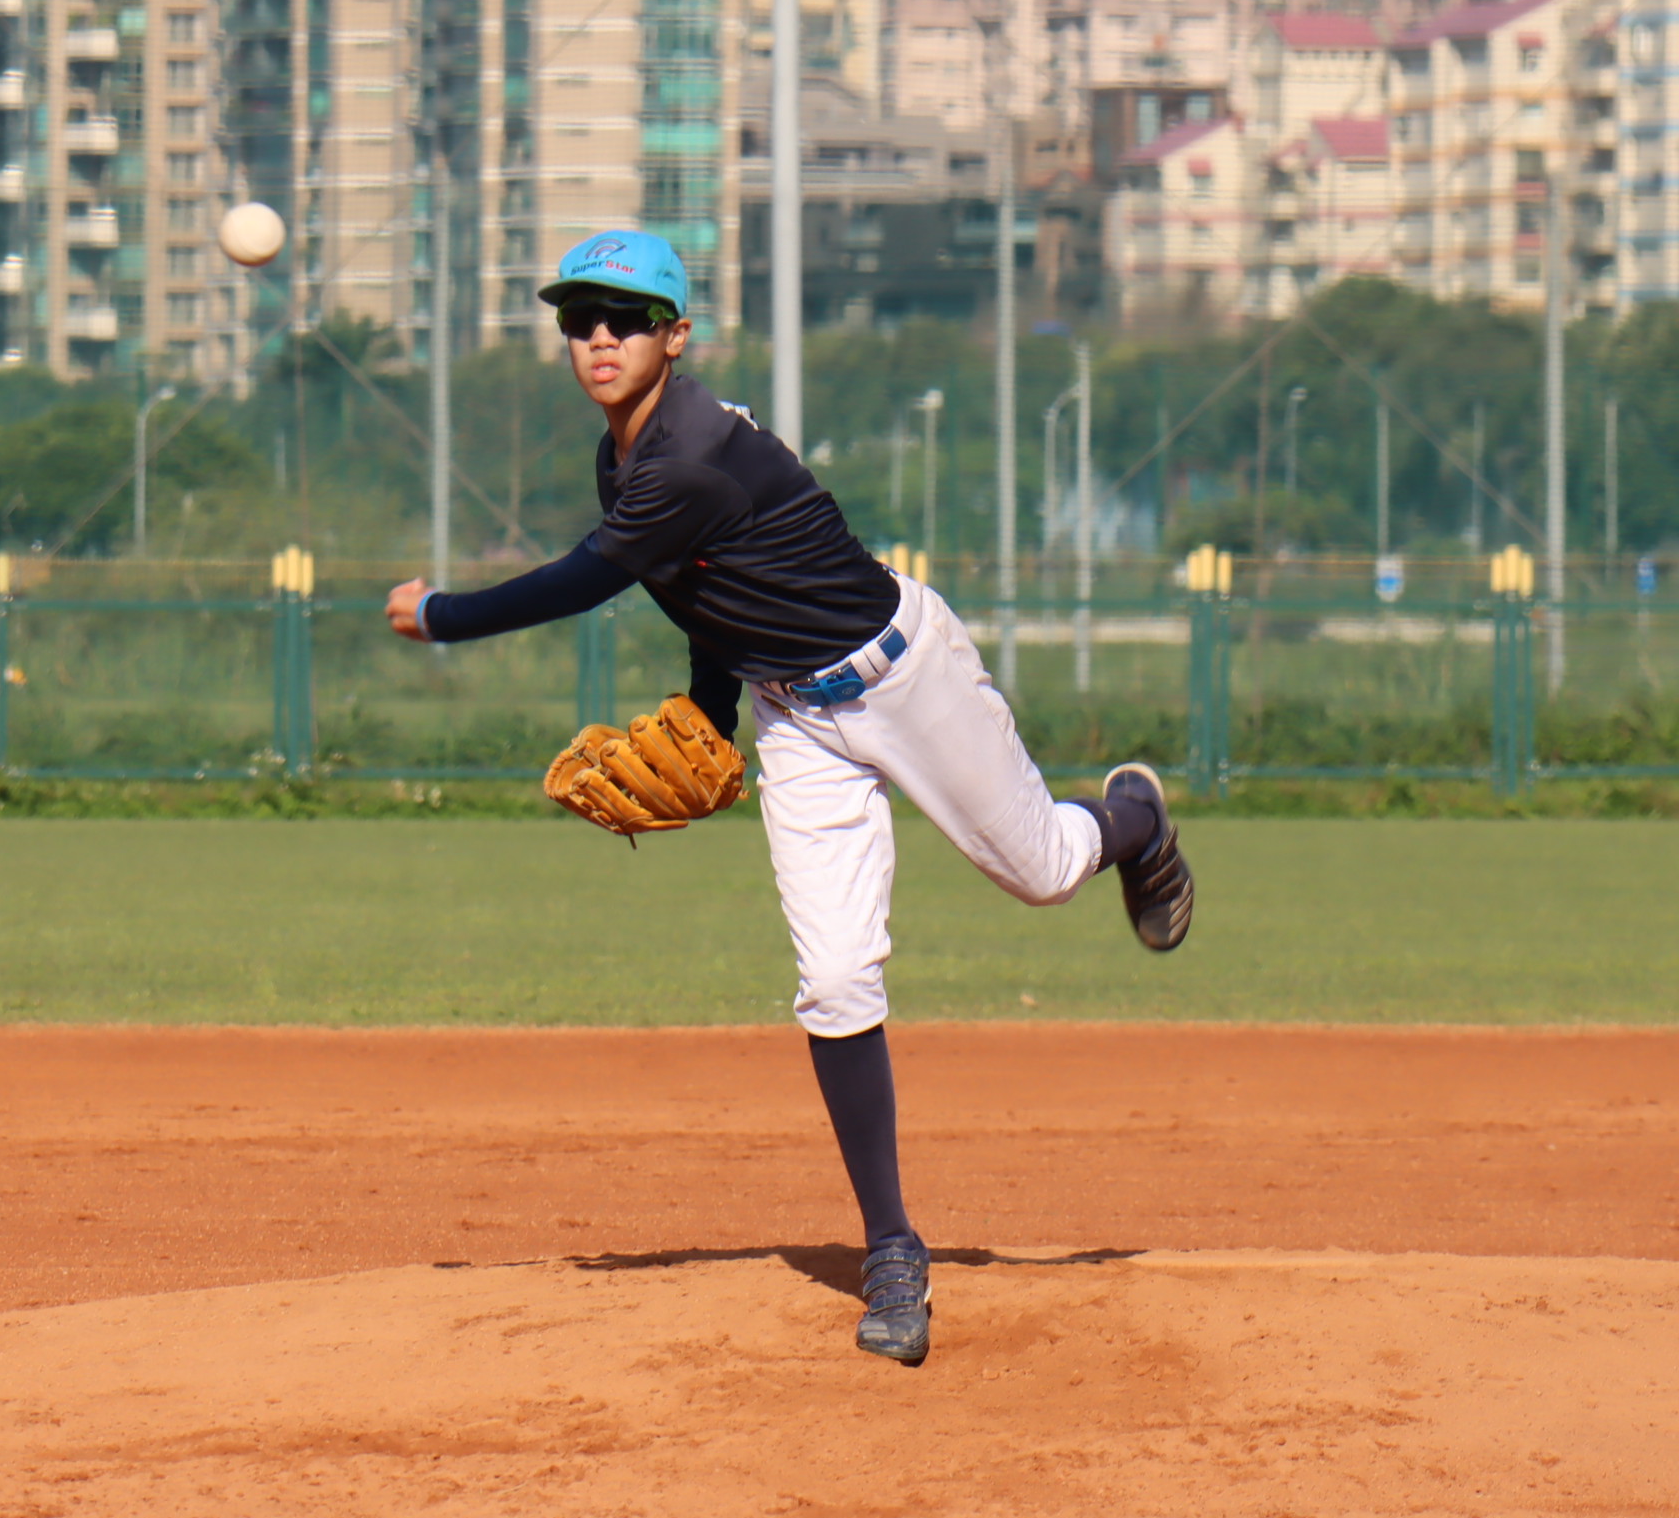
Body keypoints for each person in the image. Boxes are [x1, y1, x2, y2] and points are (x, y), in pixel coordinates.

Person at [384, 229, 1192, 1367]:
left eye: (625, 317)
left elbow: (588, 579)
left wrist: (444, 617)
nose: (599, 337)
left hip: (902, 675)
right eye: (577, 318)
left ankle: (1135, 819)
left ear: (676, 335)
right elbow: (705, 596)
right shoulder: (628, 457)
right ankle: (893, 1247)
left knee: (1047, 872)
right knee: (834, 977)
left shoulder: (690, 454)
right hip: (797, 721)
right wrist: (710, 713)